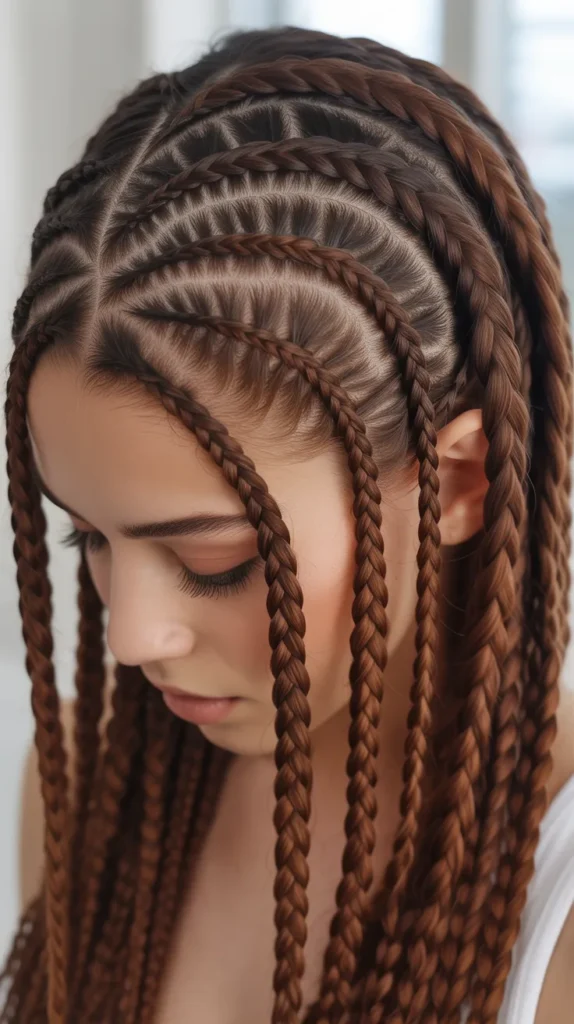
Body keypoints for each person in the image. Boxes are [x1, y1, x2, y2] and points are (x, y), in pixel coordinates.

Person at [2, 23, 574, 1024]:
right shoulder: (92, 781)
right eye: (88, 537)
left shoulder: (553, 893)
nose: (131, 636)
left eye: (213, 561)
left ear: (456, 481)